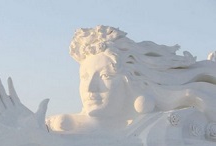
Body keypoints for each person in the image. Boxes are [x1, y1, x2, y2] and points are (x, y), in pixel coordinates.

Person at [47, 25, 216, 138]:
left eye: (106, 76)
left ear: (131, 80)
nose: (91, 88)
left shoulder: (159, 129)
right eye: (84, 77)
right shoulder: (63, 126)